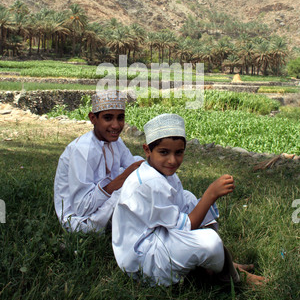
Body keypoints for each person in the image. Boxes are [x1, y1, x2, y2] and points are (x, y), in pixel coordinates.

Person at [112, 113, 266, 286]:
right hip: (143, 261)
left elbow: (183, 214)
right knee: (210, 242)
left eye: (178, 153)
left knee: (188, 198)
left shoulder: (161, 173)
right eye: (164, 152)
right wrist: (210, 194)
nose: (172, 160)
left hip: (157, 237)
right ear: (147, 150)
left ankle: (226, 264)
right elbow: (187, 226)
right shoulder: (150, 183)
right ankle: (230, 276)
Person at [54, 90, 144, 233]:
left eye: (120, 118)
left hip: (102, 202)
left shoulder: (115, 141)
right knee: (132, 188)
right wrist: (123, 178)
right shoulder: (82, 150)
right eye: (108, 118)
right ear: (93, 118)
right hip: (82, 219)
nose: (116, 125)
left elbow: (131, 165)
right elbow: (82, 207)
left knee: (140, 163)